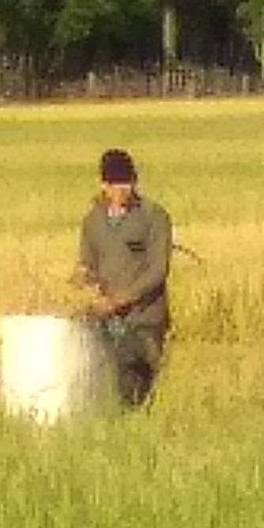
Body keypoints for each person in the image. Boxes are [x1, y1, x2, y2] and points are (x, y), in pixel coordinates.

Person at [73, 145, 172, 407]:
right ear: (103, 185)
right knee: (109, 387)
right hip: (106, 322)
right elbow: (87, 263)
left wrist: (120, 300)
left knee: (136, 388)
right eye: (116, 184)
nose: (122, 190)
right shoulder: (92, 221)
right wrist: (83, 282)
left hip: (145, 320)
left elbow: (158, 270)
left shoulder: (154, 217)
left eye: (127, 182)